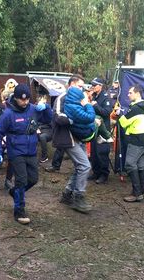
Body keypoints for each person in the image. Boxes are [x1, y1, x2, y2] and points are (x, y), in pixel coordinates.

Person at [0, 84, 52, 224]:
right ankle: (19, 210)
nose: (25, 102)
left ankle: (15, 192)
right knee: (21, 180)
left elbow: (48, 119)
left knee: (33, 179)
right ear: (16, 98)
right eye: (22, 100)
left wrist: (47, 108)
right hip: (16, 151)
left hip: (31, 150)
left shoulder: (33, 109)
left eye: (27, 99)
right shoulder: (8, 114)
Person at [53, 75, 93, 213]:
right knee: (85, 166)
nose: (82, 89)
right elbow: (57, 116)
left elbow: (85, 115)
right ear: (71, 85)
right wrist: (72, 120)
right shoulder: (62, 98)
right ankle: (78, 197)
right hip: (67, 138)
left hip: (78, 137)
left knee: (79, 167)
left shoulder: (79, 99)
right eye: (80, 86)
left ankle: (67, 194)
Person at [115, 85, 144, 202]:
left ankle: (136, 193)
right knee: (141, 165)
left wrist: (119, 114)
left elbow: (123, 122)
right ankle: (143, 191)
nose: (128, 95)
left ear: (137, 93)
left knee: (130, 164)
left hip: (135, 140)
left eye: (130, 93)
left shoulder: (135, 108)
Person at [88, 77, 114, 184]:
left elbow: (106, 112)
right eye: (92, 85)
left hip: (103, 130)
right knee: (94, 152)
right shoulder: (94, 96)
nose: (93, 87)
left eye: (95, 85)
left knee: (101, 152)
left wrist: (95, 105)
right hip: (94, 128)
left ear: (101, 86)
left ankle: (104, 174)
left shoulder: (106, 97)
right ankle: (96, 172)